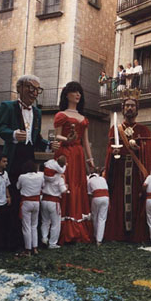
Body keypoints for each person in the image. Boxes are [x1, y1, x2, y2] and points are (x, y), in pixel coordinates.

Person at [0, 75, 52, 251]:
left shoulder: (38, 112)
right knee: (13, 197)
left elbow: (36, 137)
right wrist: (12, 134)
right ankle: (11, 240)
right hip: (13, 156)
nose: (34, 92)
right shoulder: (8, 106)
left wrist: (49, 144)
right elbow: (0, 128)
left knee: (30, 197)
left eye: (37, 89)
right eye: (30, 88)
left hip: (29, 157)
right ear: (19, 88)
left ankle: (29, 242)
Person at [104, 88, 151, 242]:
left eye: (133, 105)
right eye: (127, 106)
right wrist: (113, 154)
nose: (130, 108)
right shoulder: (115, 129)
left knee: (136, 202)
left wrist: (139, 149)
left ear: (137, 109)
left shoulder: (143, 130)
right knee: (119, 201)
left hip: (136, 173)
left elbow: (150, 152)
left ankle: (135, 235)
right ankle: (119, 233)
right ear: (123, 109)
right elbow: (108, 152)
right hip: (119, 172)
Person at [54, 81, 95, 244]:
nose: (78, 94)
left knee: (79, 185)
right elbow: (53, 136)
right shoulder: (60, 115)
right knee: (67, 185)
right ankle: (64, 228)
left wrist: (90, 159)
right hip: (65, 153)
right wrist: (66, 139)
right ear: (67, 94)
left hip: (78, 154)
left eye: (79, 92)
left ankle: (78, 227)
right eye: (74, 91)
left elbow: (86, 141)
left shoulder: (84, 118)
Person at [16, 160, 43, 256]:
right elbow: (42, 186)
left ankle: (28, 249)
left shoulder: (22, 177)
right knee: (34, 226)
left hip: (26, 202)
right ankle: (35, 248)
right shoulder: (40, 176)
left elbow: (18, 187)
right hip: (36, 202)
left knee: (26, 226)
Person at [41, 156, 67, 249]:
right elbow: (63, 190)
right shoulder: (59, 177)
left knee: (45, 221)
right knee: (56, 223)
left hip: (44, 200)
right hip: (54, 201)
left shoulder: (44, 177)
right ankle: (52, 243)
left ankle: (44, 237)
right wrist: (67, 187)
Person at [87, 168, 109, 245]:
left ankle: (96, 235)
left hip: (96, 198)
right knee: (102, 218)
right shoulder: (103, 179)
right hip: (106, 198)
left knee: (95, 217)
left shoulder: (89, 180)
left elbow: (89, 194)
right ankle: (99, 239)